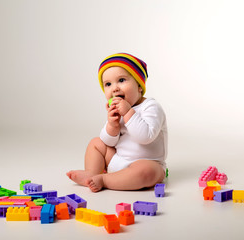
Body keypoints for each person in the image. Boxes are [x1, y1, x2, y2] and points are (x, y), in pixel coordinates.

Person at [67, 53, 168, 192]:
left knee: (148, 172)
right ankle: (92, 173)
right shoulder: (117, 108)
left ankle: (104, 180)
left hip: (147, 163)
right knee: (96, 143)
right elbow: (108, 142)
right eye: (108, 84)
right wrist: (112, 126)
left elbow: (145, 137)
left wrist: (128, 113)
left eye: (121, 80)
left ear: (139, 85)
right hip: (118, 159)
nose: (114, 88)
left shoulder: (151, 107)